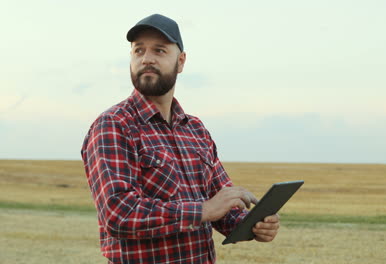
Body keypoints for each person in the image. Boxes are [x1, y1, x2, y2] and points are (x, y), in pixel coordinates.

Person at [81, 13, 280, 264]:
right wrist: (203, 210)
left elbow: (221, 205)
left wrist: (253, 224)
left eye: (160, 50)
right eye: (138, 51)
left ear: (181, 61)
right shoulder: (114, 125)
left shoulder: (195, 129)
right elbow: (119, 214)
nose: (147, 59)